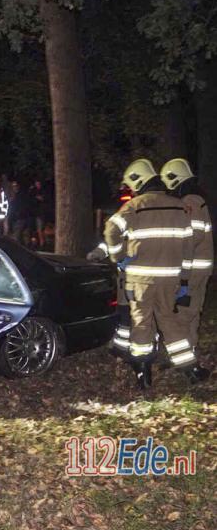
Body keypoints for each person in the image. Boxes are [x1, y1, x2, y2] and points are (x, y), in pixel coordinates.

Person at [102, 159, 197, 389]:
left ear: (138, 181)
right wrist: (183, 279)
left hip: (140, 279)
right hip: (170, 279)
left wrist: (119, 257)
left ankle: (143, 373)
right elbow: (188, 247)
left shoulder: (135, 205)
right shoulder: (179, 207)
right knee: (169, 321)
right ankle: (189, 369)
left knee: (141, 323)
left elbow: (111, 229)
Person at [161, 158, 212, 383]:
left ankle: (186, 364)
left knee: (180, 318)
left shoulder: (190, 201)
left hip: (190, 272)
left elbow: (190, 238)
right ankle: (184, 357)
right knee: (190, 315)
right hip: (199, 271)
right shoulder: (198, 199)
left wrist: (181, 274)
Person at [7, 180, 33, 246]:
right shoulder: (14, 196)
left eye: (15, 186)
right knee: (23, 237)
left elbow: (16, 208)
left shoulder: (20, 196)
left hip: (20, 219)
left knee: (18, 238)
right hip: (20, 219)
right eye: (13, 186)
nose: (15, 187)